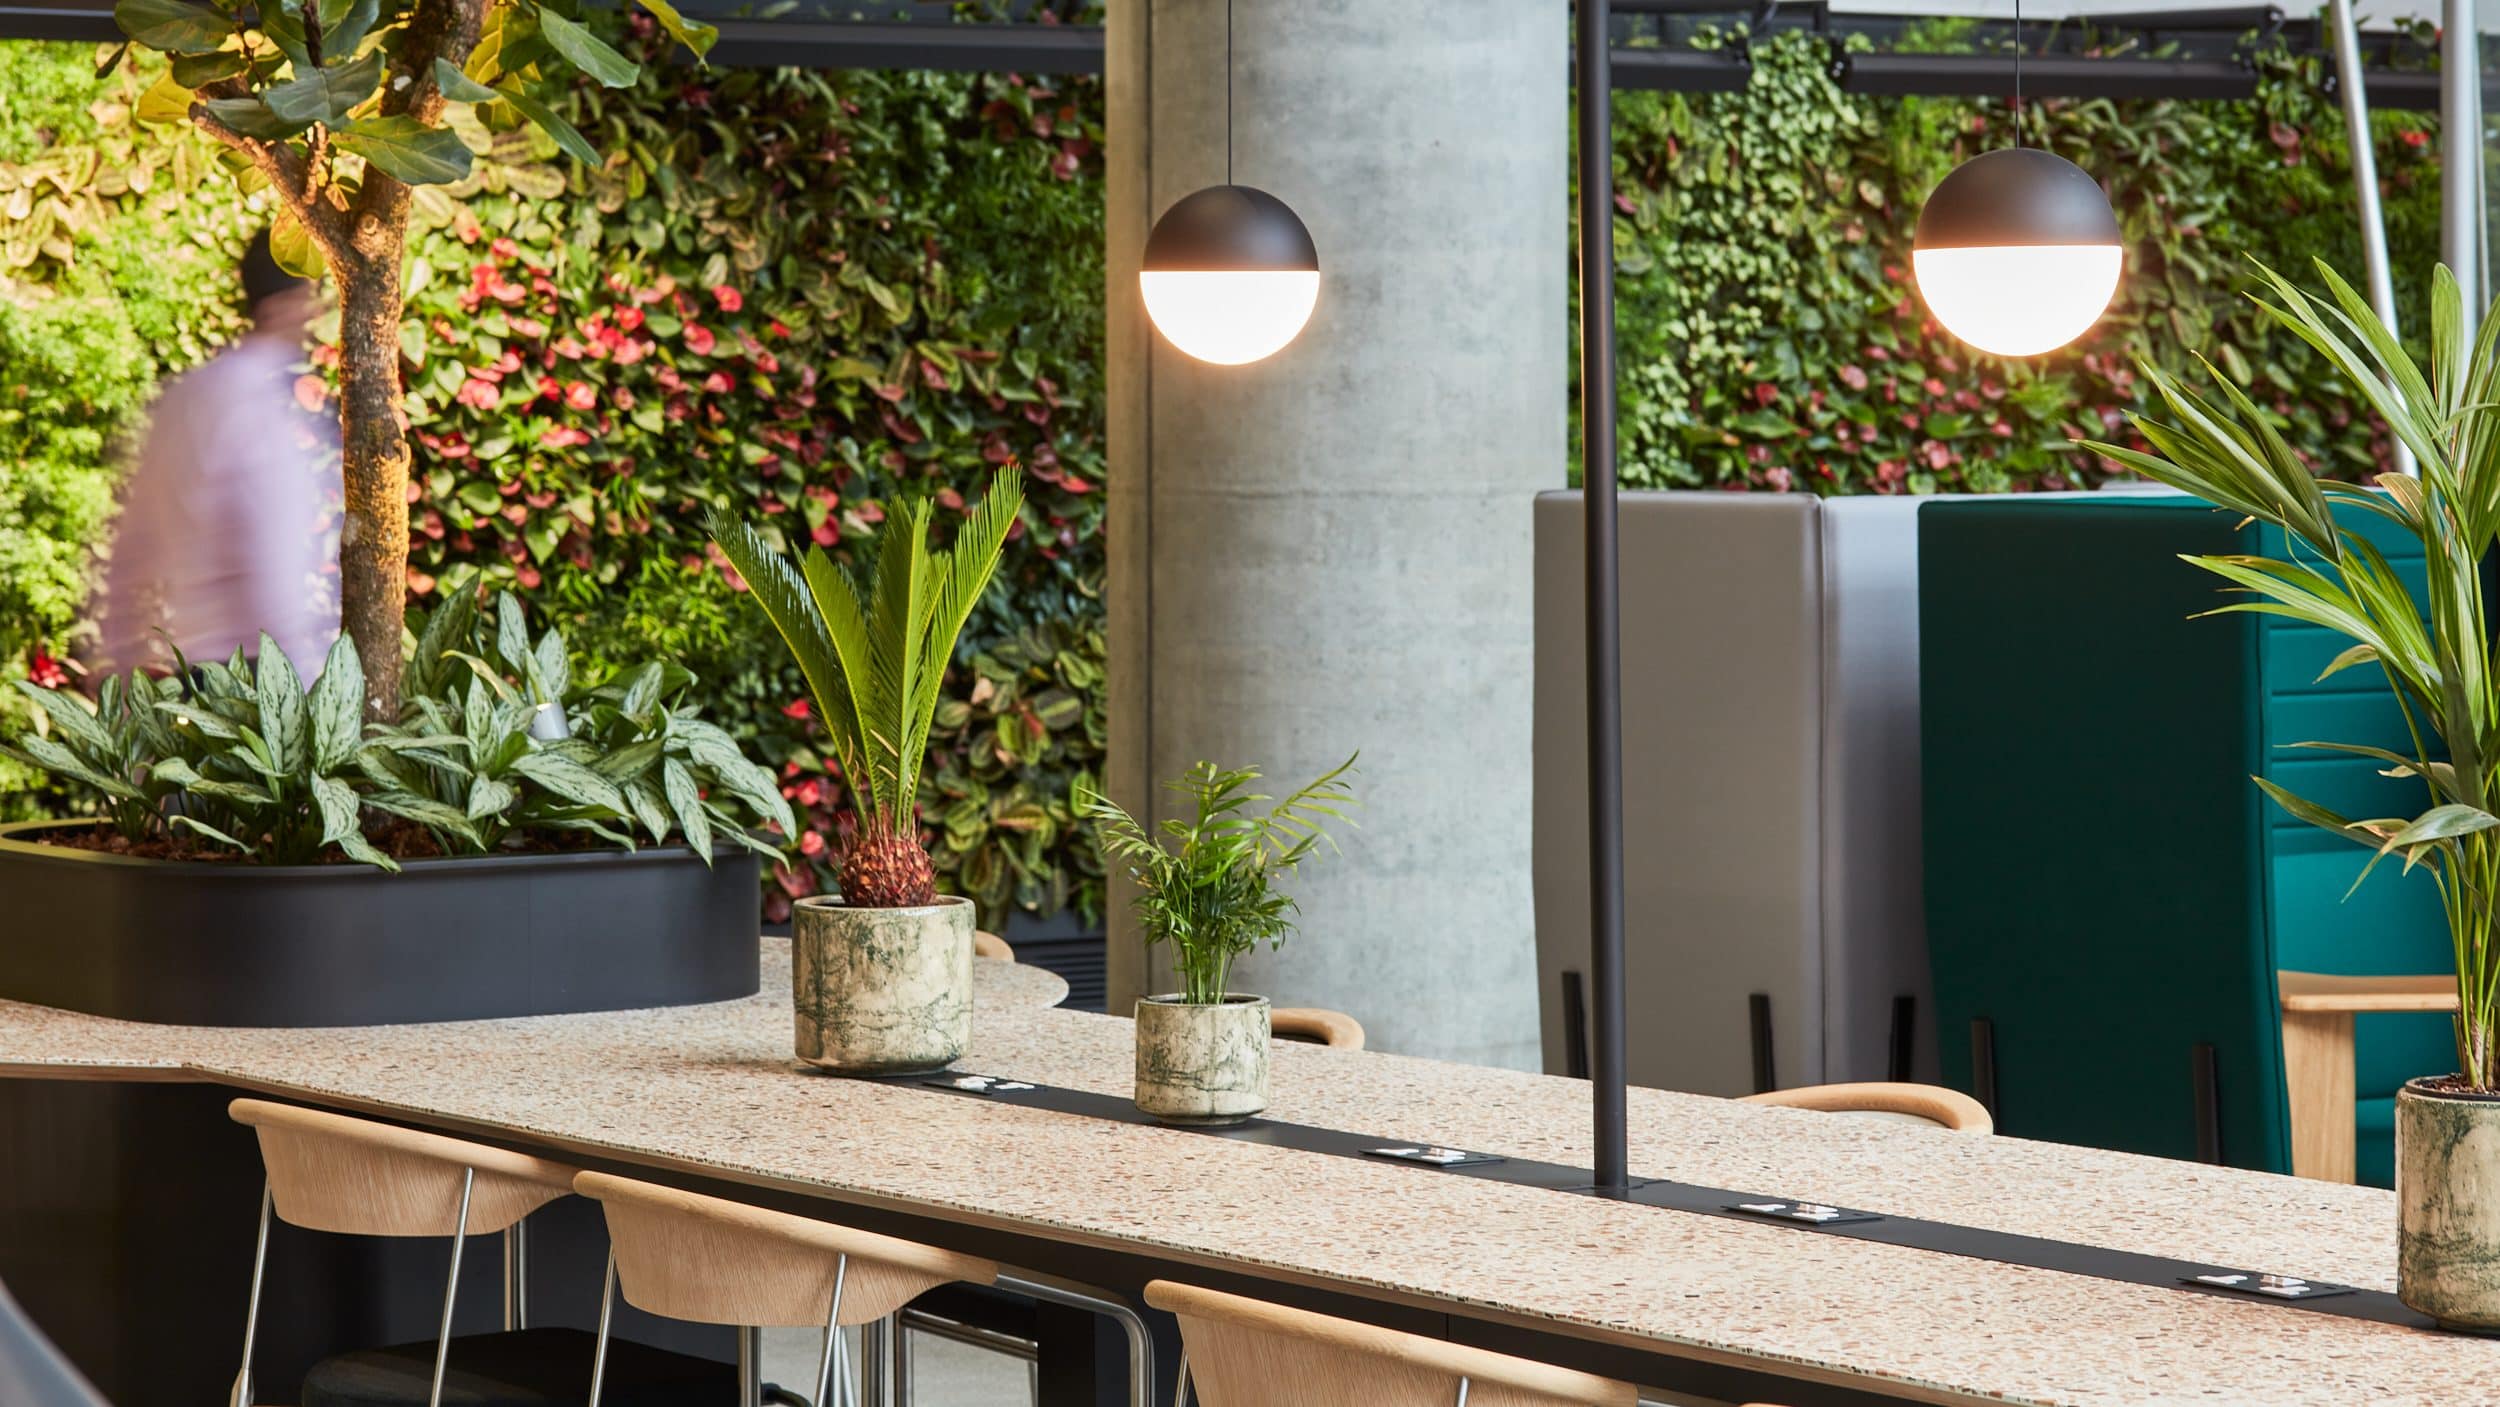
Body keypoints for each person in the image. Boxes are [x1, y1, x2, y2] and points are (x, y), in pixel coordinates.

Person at [94, 230, 339, 683]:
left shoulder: (187, 395)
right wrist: (304, 678)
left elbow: (133, 544)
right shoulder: (257, 406)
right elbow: (273, 556)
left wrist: (120, 665)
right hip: (256, 673)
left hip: (198, 666)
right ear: (292, 300)